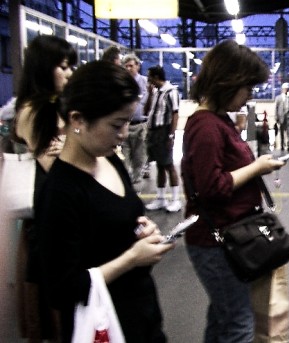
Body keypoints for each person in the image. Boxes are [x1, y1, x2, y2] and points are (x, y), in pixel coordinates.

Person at [35, 61, 174, 342]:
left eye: (126, 122)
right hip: (102, 326)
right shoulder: (60, 191)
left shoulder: (110, 158)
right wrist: (132, 258)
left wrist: (142, 231)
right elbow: (62, 289)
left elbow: (120, 220)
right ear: (77, 120)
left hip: (142, 315)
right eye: (116, 125)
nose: (123, 134)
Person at [182, 40, 285, 343]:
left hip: (225, 237)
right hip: (217, 242)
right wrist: (256, 168)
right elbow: (212, 187)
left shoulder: (216, 121)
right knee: (238, 322)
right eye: (248, 87)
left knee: (223, 319)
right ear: (228, 82)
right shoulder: (206, 126)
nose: (250, 95)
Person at [11, 35, 77, 343]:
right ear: (43, 68)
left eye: (71, 67)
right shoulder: (34, 110)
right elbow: (61, 167)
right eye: (62, 67)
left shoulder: (56, 106)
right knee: (55, 315)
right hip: (49, 219)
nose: (69, 73)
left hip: (60, 214)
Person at [144, 65, 182, 212]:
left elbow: (175, 114)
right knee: (159, 165)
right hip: (153, 132)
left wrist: (171, 135)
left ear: (156, 77)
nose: (148, 79)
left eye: (150, 76)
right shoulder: (156, 92)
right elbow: (146, 111)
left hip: (164, 131)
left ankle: (176, 199)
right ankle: (161, 199)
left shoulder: (171, 91)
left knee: (169, 165)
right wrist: (150, 94)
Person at [121, 53, 149, 184]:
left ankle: (137, 182)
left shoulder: (144, 82)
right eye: (126, 66)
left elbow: (147, 101)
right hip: (124, 124)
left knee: (139, 156)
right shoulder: (121, 82)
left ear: (137, 66)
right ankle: (126, 181)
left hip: (140, 124)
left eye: (131, 66)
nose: (128, 68)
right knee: (124, 156)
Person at [275, 82, 289, 151]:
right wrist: (276, 117)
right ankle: (282, 145)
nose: (286, 90)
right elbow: (276, 108)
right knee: (281, 132)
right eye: (284, 89)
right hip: (281, 116)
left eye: (287, 89)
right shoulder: (278, 98)